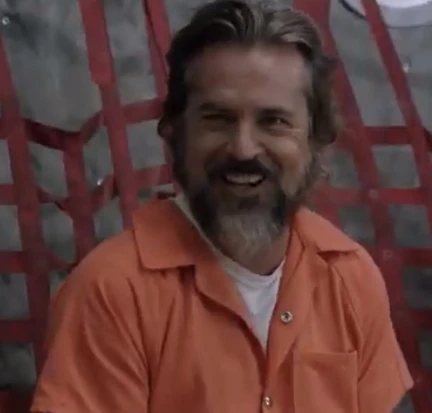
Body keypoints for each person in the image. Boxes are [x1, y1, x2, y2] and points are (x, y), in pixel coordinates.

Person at [31, 1, 413, 412]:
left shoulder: (349, 275)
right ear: (174, 131)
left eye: (273, 121)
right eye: (218, 118)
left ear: (317, 139)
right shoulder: (112, 291)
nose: (244, 148)